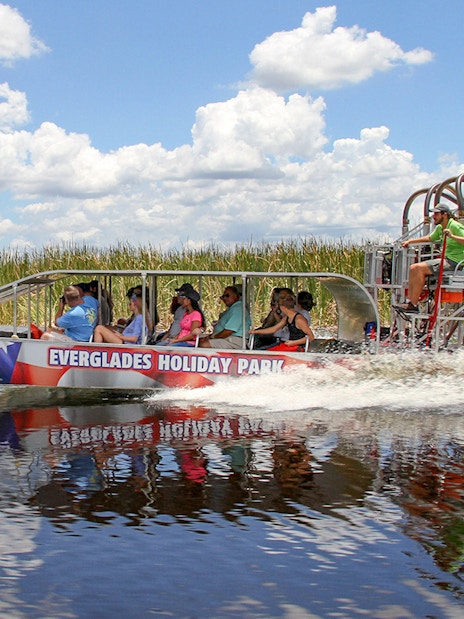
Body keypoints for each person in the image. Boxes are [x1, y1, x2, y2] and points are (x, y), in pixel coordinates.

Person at [395, 203, 464, 313]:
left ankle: (413, 304)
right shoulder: (441, 228)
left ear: (445, 215)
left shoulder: (454, 226)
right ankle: (409, 302)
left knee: (419, 268)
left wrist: (452, 236)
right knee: (413, 268)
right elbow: (429, 238)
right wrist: (410, 241)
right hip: (446, 260)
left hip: (454, 263)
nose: (433, 216)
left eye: (436, 214)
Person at [249, 291, 315, 352]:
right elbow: (274, 329)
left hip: (296, 348)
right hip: (288, 345)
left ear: (283, 307)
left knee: (266, 352)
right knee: (261, 350)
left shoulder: (299, 319)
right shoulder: (287, 317)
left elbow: (311, 337)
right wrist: (256, 331)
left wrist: (294, 342)